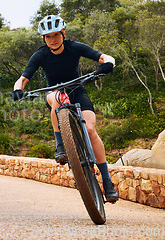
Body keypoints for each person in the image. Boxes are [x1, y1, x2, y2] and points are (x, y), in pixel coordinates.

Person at [11, 15, 119, 203]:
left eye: (55, 35)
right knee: (58, 97)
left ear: (63, 33)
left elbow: (104, 57)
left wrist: (108, 64)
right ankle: (60, 145)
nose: (52, 40)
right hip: (53, 93)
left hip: (78, 91)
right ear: (43, 39)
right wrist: (17, 89)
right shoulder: (40, 55)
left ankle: (107, 182)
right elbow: (23, 78)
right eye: (48, 37)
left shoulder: (74, 47)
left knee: (91, 130)